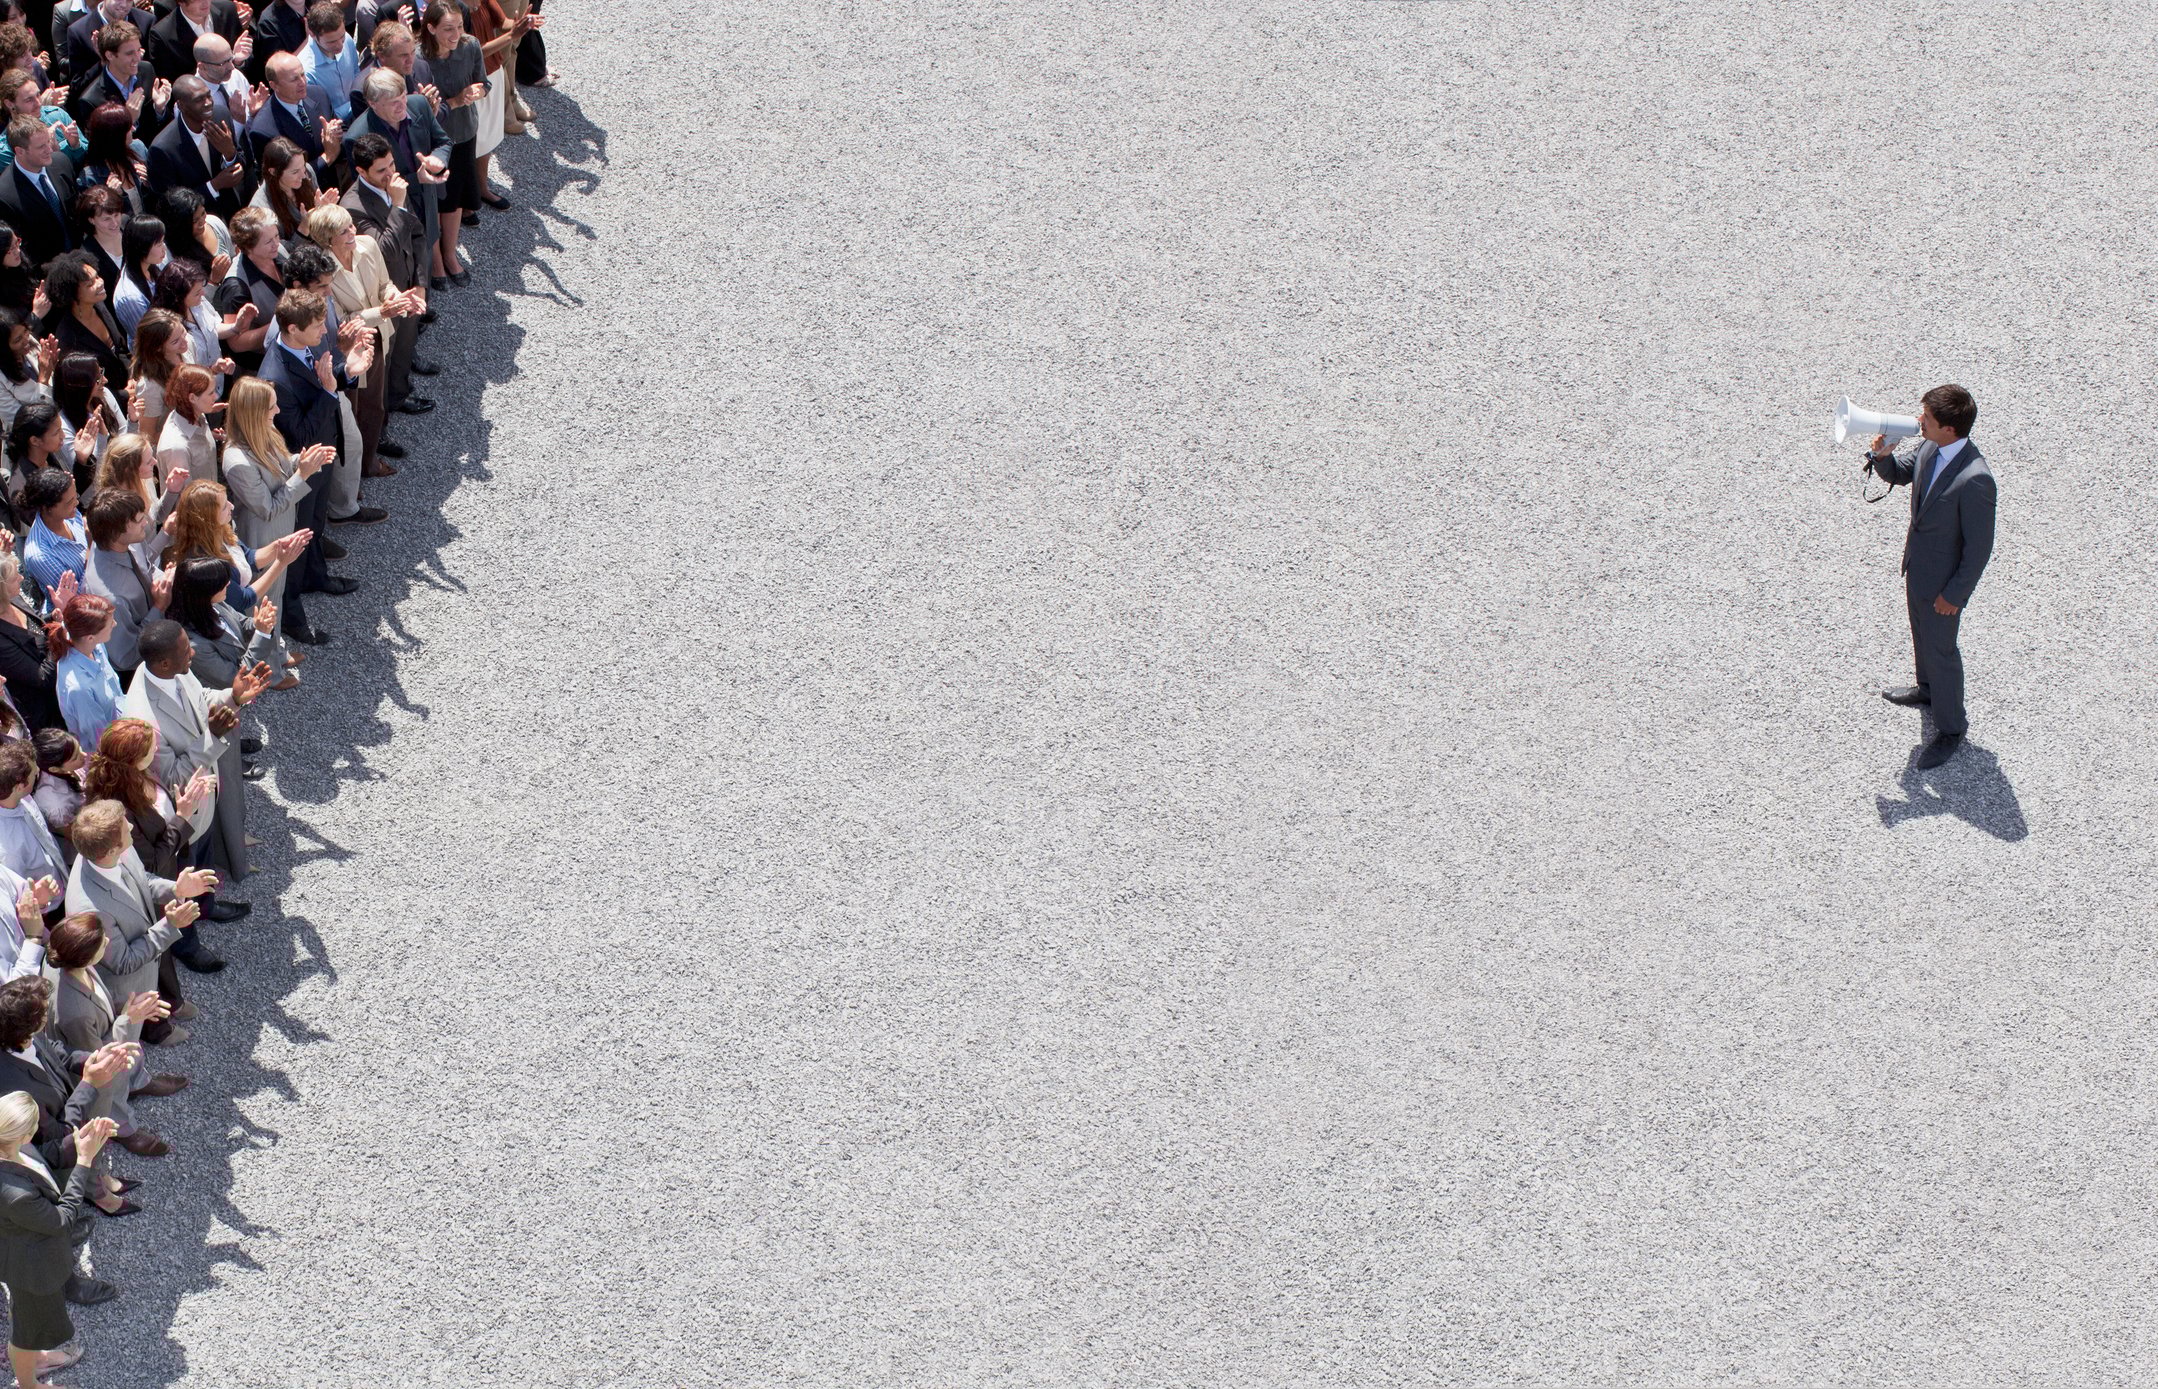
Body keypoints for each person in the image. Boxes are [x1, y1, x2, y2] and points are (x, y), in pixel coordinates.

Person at [1866, 384, 1999, 770]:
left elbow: (1979, 549)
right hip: (1919, 569)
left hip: (1944, 585)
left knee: (1942, 651)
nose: (1918, 421)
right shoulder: (1930, 446)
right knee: (1921, 635)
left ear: (1950, 430)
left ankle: (1951, 729)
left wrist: (1955, 595)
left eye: (1926, 418)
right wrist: (1882, 456)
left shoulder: (1976, 479)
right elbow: (1904, 473)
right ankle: (1927, 690)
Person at [115, 618, 268, 894]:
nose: (193, 653)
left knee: (207, 856)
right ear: (164, 663)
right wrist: (213, 735)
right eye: (186, 651)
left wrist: (232, 697)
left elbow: (200, 698)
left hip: (205, 796)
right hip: (188, 816)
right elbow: (174, 778)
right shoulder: (144, 721)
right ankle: (205, 909)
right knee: (194, 864)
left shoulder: (169, 669)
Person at [0, 1094, 119, 1382]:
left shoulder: (11, 1152)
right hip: (31, 1269)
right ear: (26, 1135)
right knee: (27, 1333)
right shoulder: (16, 1195)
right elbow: (62, 1219)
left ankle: (31, 1358)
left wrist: (77, 1146)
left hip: (21, 1254)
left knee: (27, 1320)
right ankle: (29, 1381)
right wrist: (85, 1160)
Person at [63, 793, 213, 1004]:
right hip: (129, 992)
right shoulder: (90, 910)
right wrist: (170, 926)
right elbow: (124, 961)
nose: (132, 827)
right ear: (112, 850)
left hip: (149, 964)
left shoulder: (109, 848)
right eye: (127, 828)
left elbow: (143, 879)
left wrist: (176, 889)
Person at [220, 373, 327, 641]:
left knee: (275, 594)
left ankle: (276, 652)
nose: (278, 411)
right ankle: (269, 666)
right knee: (264, 601)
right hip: (262, 535)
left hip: (279, 527)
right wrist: (302, 474)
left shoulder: (265, 432)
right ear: (254, 412)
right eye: (272, 407)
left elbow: (281, 466)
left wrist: (301, 461)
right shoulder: (237, 462)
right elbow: (266, 508)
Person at [81, 717, 210, 878]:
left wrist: (189, 793)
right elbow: (151, 865)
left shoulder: (137, 771)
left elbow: (161, 807)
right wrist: (182, 817)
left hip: (175, 854)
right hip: (163, 878)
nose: (156, 748)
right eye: (152, 748)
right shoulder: (120, 813)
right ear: (135, 760)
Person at [417, 0, 478, 287]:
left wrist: (479, 90)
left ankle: (450, 254)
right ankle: (437, 262)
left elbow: (483, 81)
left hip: (463, 132)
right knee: (433, 201)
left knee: (453, 200)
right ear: (430, 28)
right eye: (448, 29)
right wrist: (454, 101)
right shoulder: (419, 60)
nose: (456, 35)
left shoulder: (470, 46)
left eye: (460, 27)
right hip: (433, 139)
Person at [78, 486, 168, 674]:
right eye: (139, 520)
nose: (145, 523)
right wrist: (158, 608)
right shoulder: (110, 598)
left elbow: (148, 568)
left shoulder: (130, 540)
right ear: (117, 532)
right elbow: (125, 658)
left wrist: (164, 578)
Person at [141, 73, 246, 221]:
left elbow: (243, 165)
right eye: (199, 100)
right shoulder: (163, 149)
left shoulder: (221, 115)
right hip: (196, 226)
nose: (208, 102)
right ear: (181, 105)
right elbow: (169, 205)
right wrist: (213, 186)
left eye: (208, 95)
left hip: (233, 213)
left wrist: (230, 153)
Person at [64, 23, 168, 148]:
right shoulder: (91, 101)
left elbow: (156, 126)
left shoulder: (146, 70)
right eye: (129, 53)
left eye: (138, 50)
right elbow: (101, 149)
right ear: (110, 55)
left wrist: (159, 109)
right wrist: (127, 120)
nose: (137, 58)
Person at [244, 49, 340, 183]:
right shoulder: (264, 130)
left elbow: (341, 129)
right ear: (274, 85)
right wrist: (327, 157)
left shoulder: (318, 94)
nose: (302, 82)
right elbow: (281, 179)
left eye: (302, 75)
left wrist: (337, 135)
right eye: (294, 79)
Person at [42, 256, 125, 399]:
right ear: (72, 294)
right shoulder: (68, 339)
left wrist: (132, 376)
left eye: (97, 276)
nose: (100, 283)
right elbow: (85, 389)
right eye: (90, 284)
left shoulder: (99, 306)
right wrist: (123, 395)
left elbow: (120, 348)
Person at [0, 118, 75, 270]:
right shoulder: (5, 195)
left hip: (80, 258)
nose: (49, 149)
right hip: (47, 271)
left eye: (48, 141)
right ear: (19, 151)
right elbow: (23, 249)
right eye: (41, 146)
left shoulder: (61, 162)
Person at [45, 592, 118, 749]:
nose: (115, 624)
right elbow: (101, 741)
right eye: (110, 623)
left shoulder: (95, 646)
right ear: (90, 637)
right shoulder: (80, 689)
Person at [0, 555, 62, 730]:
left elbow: (34, 624)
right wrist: (58, 635)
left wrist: (52, 618)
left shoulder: (14, 599)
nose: (21, 578)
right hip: (45, 714)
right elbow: (42, 678)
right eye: (15, 578)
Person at [146, 0, 247, 85]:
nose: (205, 2)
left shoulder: (228, 10)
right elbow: (170, 83)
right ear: (181, 2)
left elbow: (247, 60)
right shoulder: (163, 35)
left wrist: (238, 61)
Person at [18, 468, 85, 597]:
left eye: (75, 496)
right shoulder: (39, 555)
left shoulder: (71, 514)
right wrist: (90, 549)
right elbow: (75, 598)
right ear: (47, 508)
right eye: (70, 501)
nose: (76, 503)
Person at [0, 69, 84, 166]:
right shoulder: (5, 150)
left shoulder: (57, 115)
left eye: (38, 95)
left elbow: (89, 156)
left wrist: (75, 145)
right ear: (10, 104)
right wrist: (54, 151)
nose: (38, 103)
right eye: (29, 100)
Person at [153, 360, 216, 482]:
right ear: (192, 398)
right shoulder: (177, 448)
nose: (215, 397)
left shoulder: (199, 416)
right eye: (210, 393)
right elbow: (185, 497)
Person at [108, 211, 164, 342]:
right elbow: (150, 340)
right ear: (143, 247)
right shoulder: (130, 297)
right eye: (159, 244)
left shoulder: (153, 266)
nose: (164, 248)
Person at [70, 184, 124, 299]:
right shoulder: (86, 256)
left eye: (116, 215)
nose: (114, 223)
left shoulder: (129, 229)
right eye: (106, 219)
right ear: (91, 220)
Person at [29, 733, 83, 844]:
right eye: (76, 757)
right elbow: (76, 837)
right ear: (55, 769)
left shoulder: (65, 766)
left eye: (79, 748)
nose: (84, 755)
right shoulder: (55, 803)